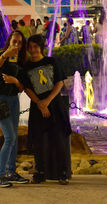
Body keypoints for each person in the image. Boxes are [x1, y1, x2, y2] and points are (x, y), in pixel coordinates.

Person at [23, 34, 72, 185]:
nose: (33, 50)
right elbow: (27, 88)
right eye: (30, 47)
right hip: (38, 107)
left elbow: (59, 82)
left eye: (36, 46)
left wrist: (47, 101)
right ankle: (40, 172)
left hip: (55, 105)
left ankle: (63, 172)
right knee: (39, 141)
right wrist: (40, 103)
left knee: (59, 139)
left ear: (41, 47)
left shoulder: (52, 61)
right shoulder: (26, 66)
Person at [0, 30, 29, 188]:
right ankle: (0, 176)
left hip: (14, 99)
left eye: (20, 42)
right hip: (1, 99)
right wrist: (6, 54)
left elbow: (21, 88)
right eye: (15, 41)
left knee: (14, 138)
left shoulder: (21, 61)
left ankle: (11, 172)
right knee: (10, 138)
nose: (17, 45)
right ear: (9, 41)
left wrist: (14, 80)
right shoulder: (3, 56)